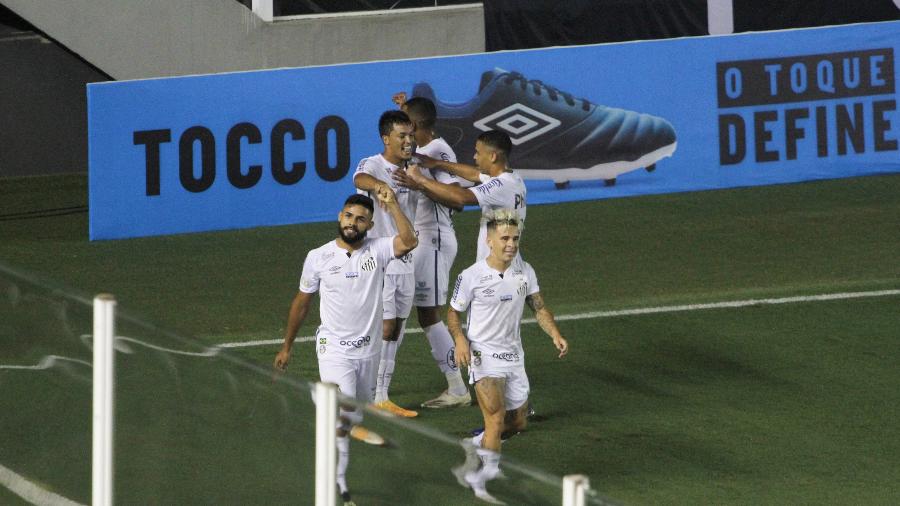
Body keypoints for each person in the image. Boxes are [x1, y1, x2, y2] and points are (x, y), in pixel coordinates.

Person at [274, 192, 418, 506]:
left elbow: (409, 241)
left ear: (370, 224)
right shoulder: (319, 256)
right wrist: (287, 346)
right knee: (344, 407)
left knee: (349, 419)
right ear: (340, 217)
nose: (353, 223)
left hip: (368, 351)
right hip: (333, 348)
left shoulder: (378, 250)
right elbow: (302, 303)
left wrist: (392, 203)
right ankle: (324, 404)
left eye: (360, 219)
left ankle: (339, 476)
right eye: (349, 216)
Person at [446, 210, 568, 503]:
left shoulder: (525, 272)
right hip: (483, 355)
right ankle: (482, 479)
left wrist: (554, 333)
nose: (511, 243)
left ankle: (474, 444)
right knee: (496, 419)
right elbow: (453, 313)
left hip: (514, 355)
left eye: (515, 238)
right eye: (504, 238)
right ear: (489, 241)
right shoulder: (471, 276)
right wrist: (460, 339)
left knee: (517, 423)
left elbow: (538, 307)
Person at [393, 92, 472, 409]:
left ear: (413, 124)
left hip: (434, 238)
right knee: (409, 311)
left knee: (423, 314)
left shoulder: (438, 151)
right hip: (420, 239)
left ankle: (457, 387)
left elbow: (458, 200)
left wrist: (420, 184)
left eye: (404, 123)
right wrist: (401, 109)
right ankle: (454, 386)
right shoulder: (422, 149)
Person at [353, 110, 421, 418]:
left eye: (410, 136)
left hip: (406, 257)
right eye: (401, 136)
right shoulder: (373, 164)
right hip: (380, 257)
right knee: (385, 325)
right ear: (386, 139)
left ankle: (382, 394)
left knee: (398, 328)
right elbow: (360, 178)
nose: (408, 141)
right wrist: (381, 187)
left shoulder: (414, 170)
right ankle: (367, 393)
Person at [393, 129, 526, 262]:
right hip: (508, 263)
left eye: (478, 153)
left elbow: (461, 197)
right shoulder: (513, 178)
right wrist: (438, 163)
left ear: (493, 156)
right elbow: (475, 174)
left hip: (500, 270)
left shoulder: (500, 185)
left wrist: (420, 179)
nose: (475, 157)